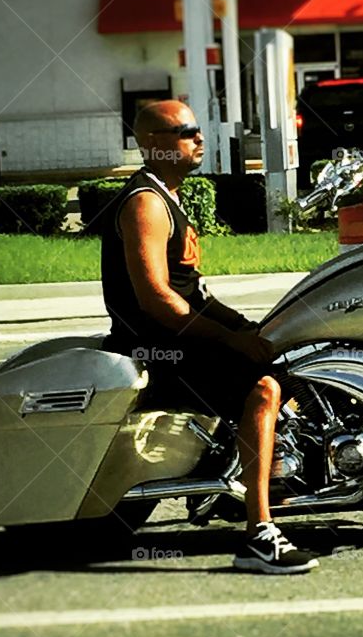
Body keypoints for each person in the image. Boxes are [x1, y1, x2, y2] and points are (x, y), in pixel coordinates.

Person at [100, 99, 318, 575]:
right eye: (187, 131)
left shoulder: (169, 196)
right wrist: (229, 338)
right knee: (261, 389)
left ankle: (271, 469)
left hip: (178, 338)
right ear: (154, 145)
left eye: (197, 130)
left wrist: (250, 329)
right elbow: (156, 298)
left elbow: (193, 291)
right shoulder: (146, 204)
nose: (199, 138)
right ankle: (260, 536)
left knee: (283, 361)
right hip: (154, 348)